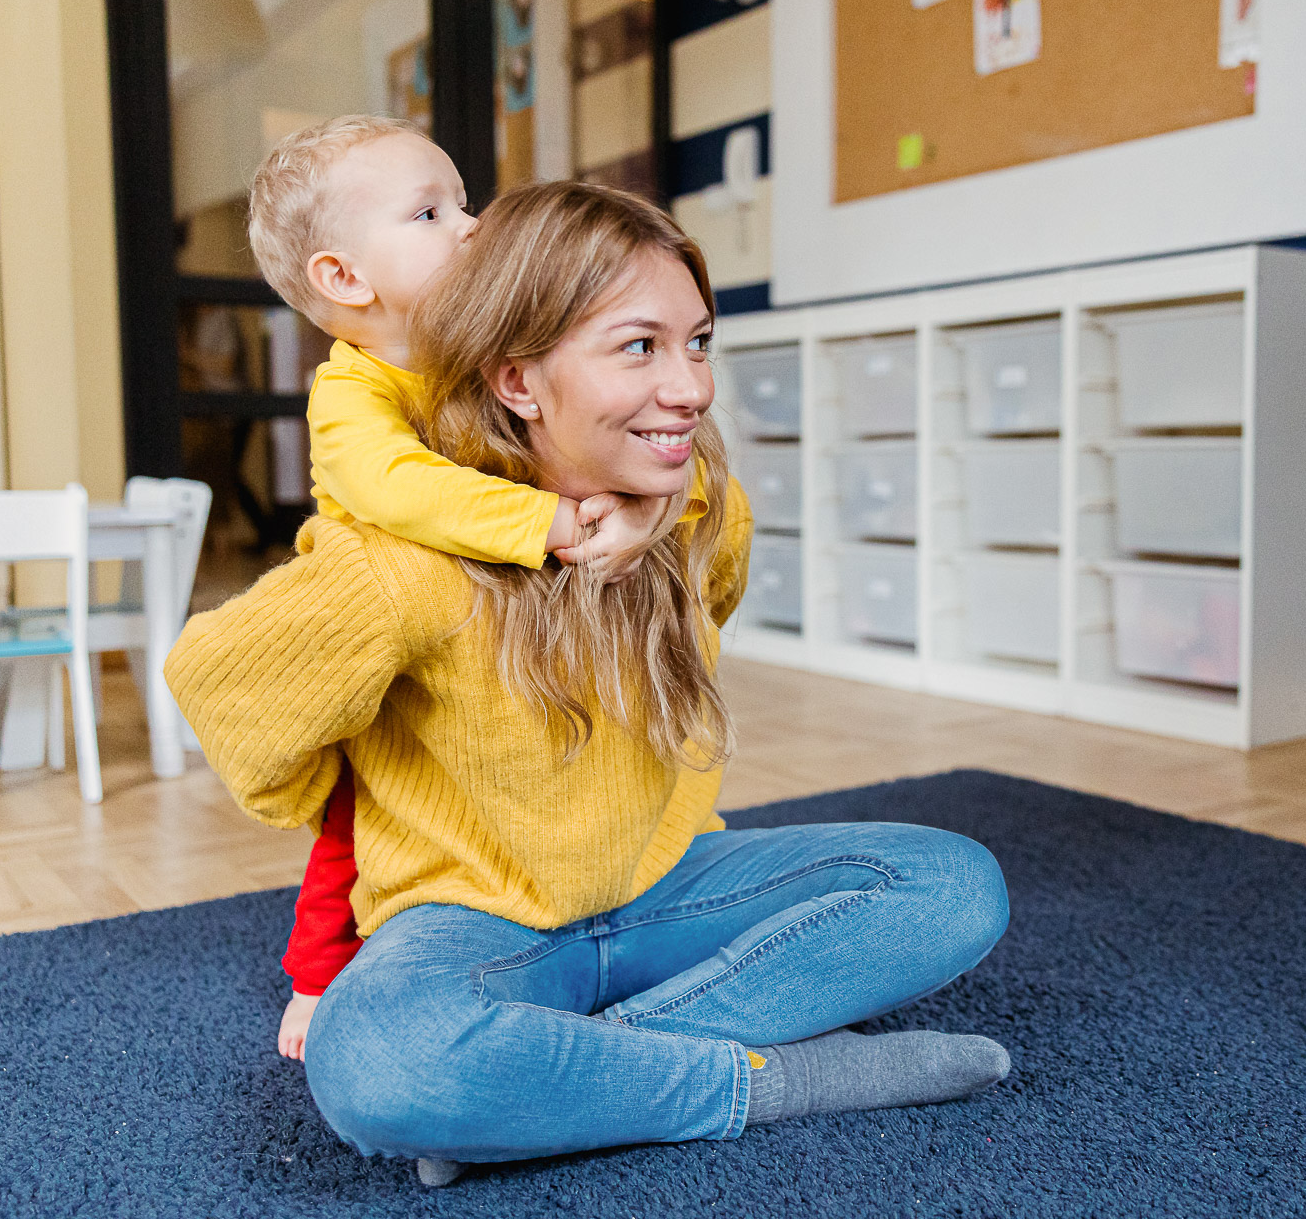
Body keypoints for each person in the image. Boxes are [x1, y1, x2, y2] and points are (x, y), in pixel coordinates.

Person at [167, 182, 1012, 1184]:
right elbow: (218, 683)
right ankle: (775, 1078)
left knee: (955, 886)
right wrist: (359, 761)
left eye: (697, 341)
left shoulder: (699, 512)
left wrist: (652, 507)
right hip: (474, 920)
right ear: (519, 379)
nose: (691, 386)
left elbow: (717, 568)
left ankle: (554, 1079)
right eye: (640, 346)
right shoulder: (399, 565)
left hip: (669, 887)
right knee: (382, 1062)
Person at [244, 115, 677, 1058]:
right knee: (355, 819)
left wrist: (634, 507)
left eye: (467, 202)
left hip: (495, 630)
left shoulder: (479, 361)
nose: (472, 225)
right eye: (431, 212)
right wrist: (549, 525)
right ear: (344, 279)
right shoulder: (351, 394)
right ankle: (316, 984)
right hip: (393, 643)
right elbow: (392, 489)